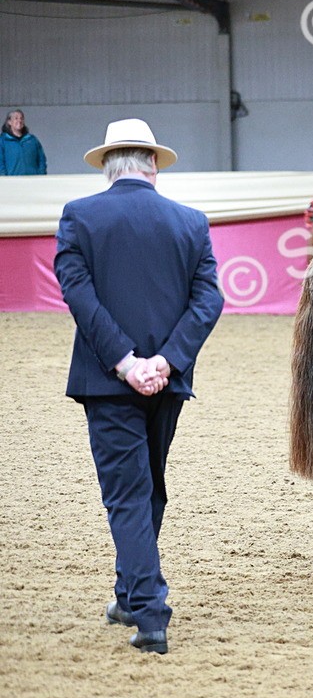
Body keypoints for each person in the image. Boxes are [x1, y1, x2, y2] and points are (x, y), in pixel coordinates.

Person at [54, 118, 224, 653]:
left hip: (107, 382)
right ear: (153, 164)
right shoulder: (190, 222)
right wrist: (166, 362)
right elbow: (209, 300)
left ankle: (150, 614)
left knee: (129, 495)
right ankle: (130, 593)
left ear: (108, 166)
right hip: (168, 383)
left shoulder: (79, 216)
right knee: (149, 486)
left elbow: (79, 296)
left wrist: (125, 363)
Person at [0, 109, 48, 175]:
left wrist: (41, 175)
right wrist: (4, 179)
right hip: (12, 182)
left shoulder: (32, 140)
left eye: (21, 118)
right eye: (16, 118)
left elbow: (41, 159)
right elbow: (0, 162)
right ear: (9, 122)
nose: (19, 121)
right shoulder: (3, 141)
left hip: (32, 181)